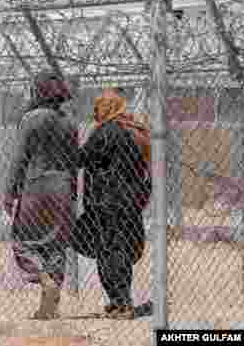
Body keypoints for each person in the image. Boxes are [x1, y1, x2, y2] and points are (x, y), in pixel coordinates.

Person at [4, 70, 81, 320]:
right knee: (56, 244)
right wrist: (73, 193)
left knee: (22, 241)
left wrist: (10, 191)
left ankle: (42, 277)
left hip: (35, 186)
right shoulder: (70, 122)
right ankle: (50, 305)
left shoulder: (31, 119)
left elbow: (19, 158)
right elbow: (74, 161)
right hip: (63, 187)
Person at [71, 88, 153, 320]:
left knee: (108, 251)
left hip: (107, 203)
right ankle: (120, 302)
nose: (95, 113)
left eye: (98, 108)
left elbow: (82, 158)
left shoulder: (107, 131)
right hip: (130, 201)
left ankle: (121, 303)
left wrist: (63, 149)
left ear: (107, 108)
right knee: (121, 249)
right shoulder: (136, 129)